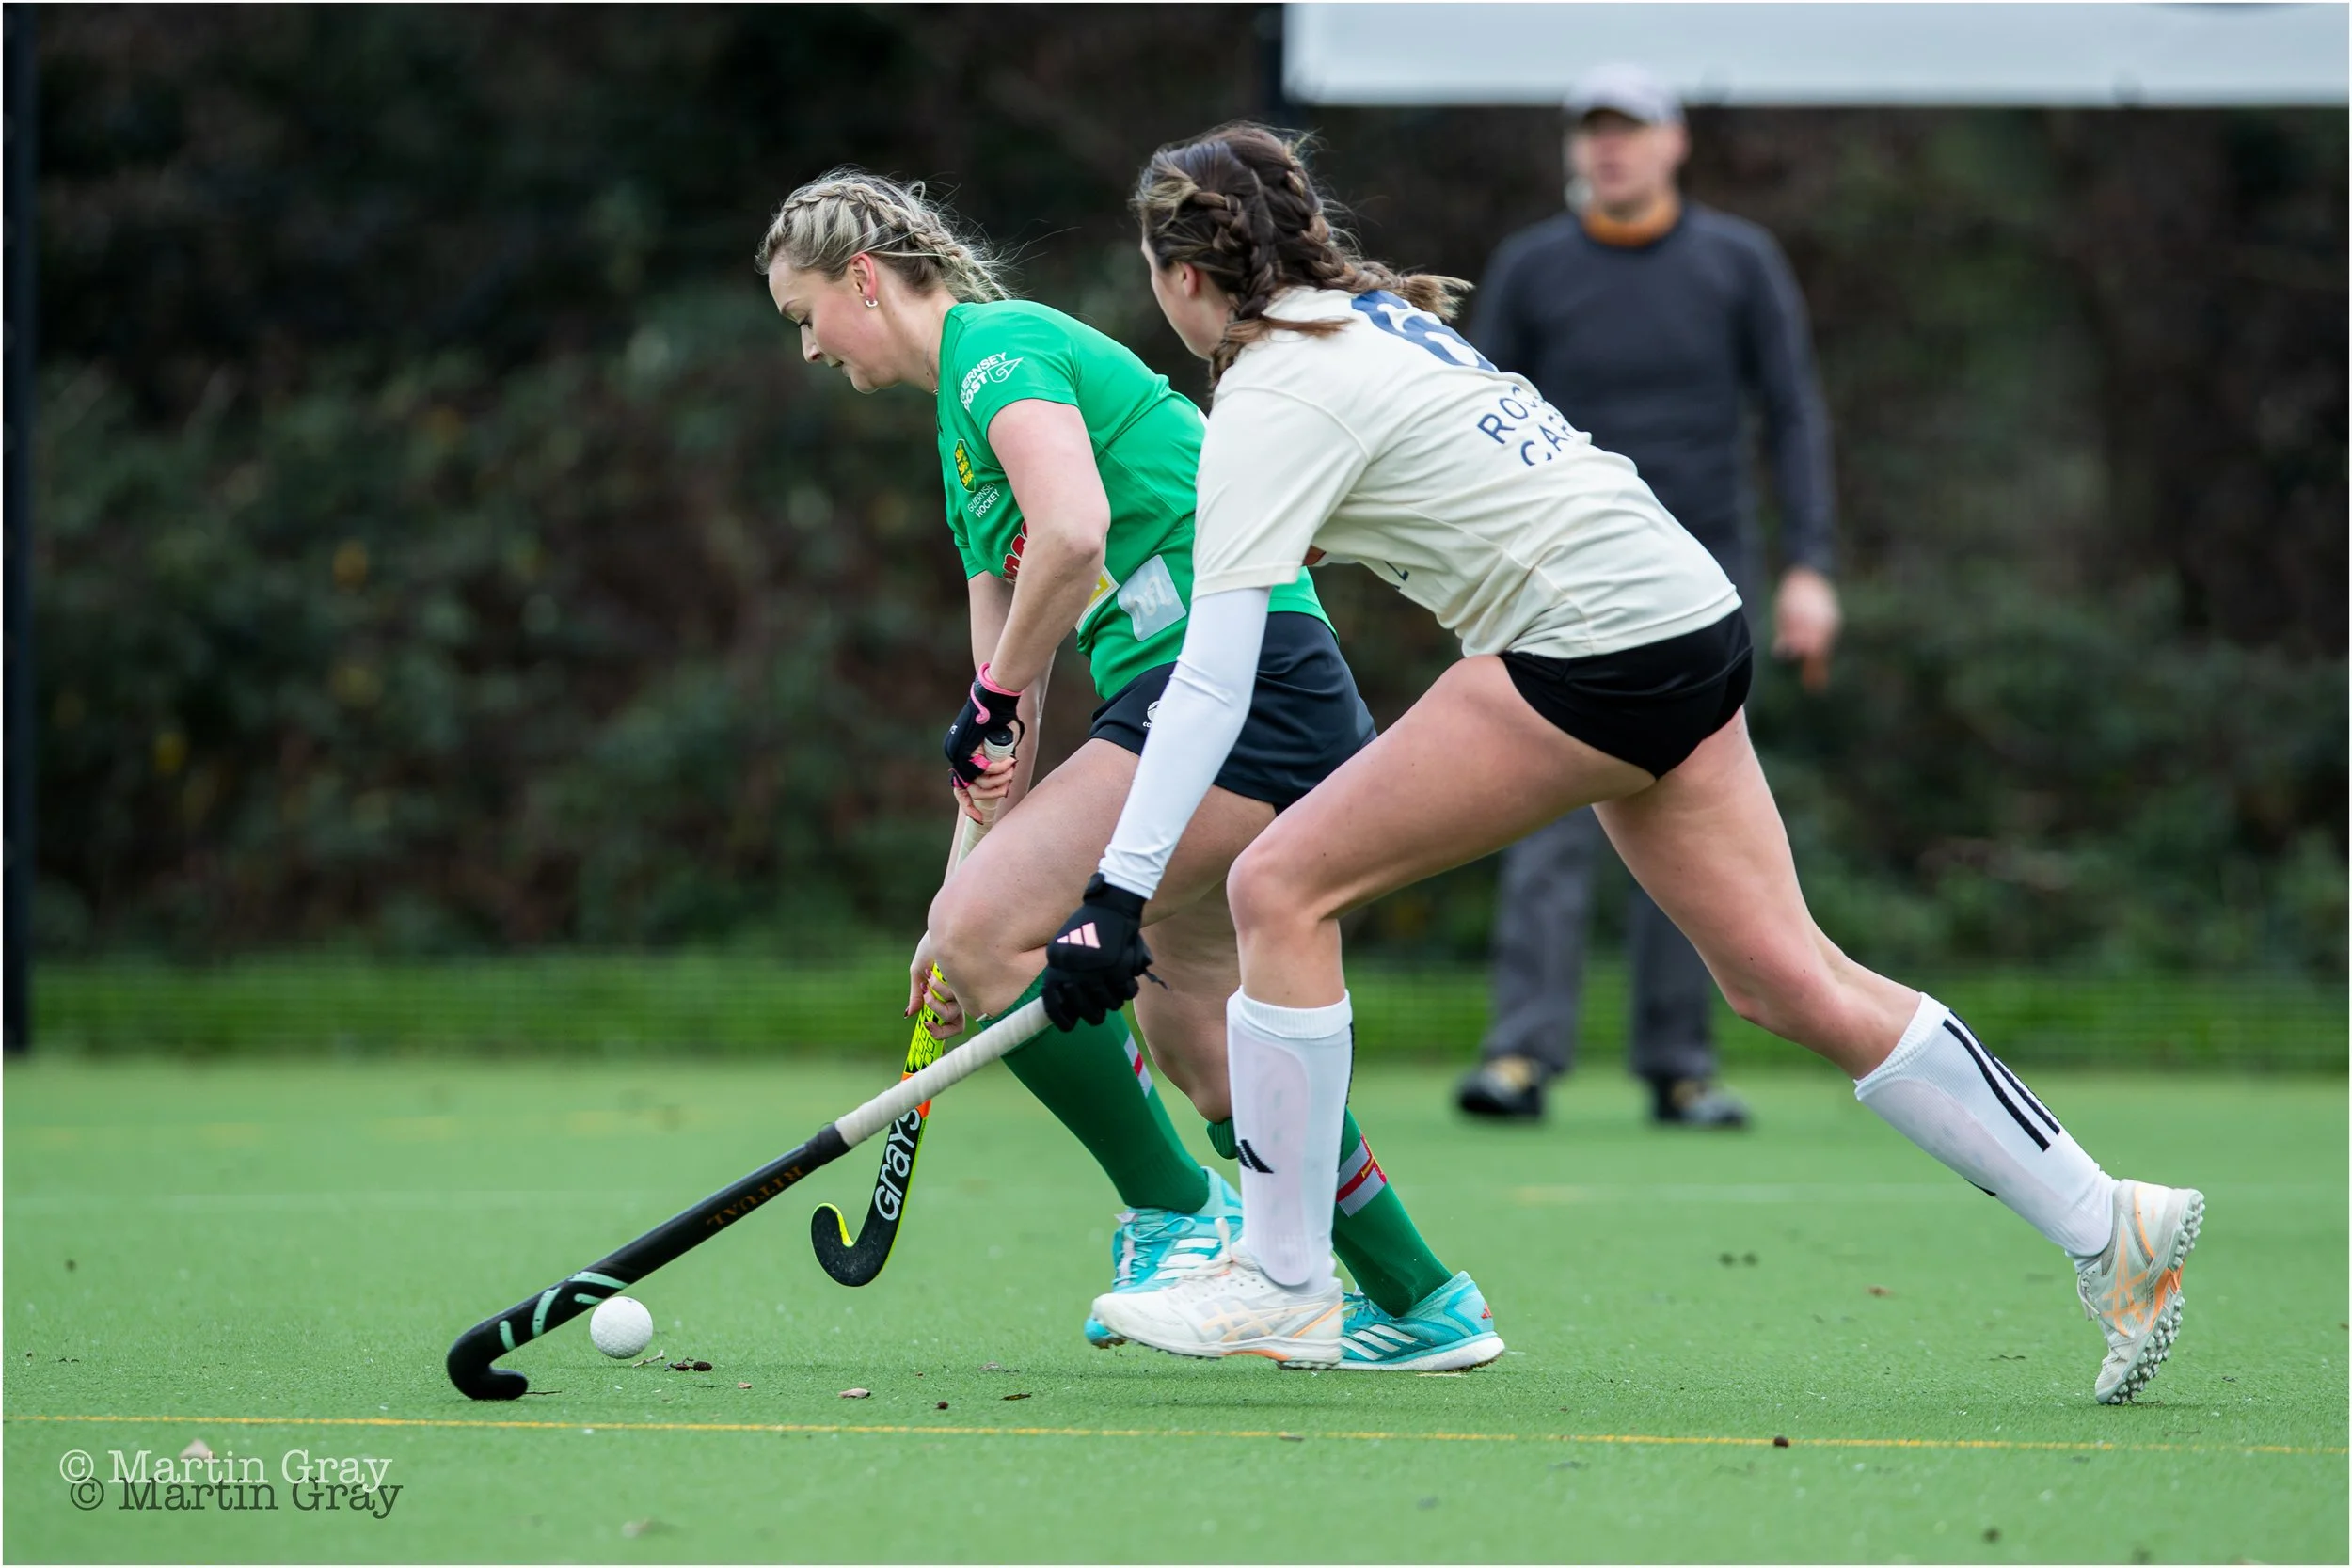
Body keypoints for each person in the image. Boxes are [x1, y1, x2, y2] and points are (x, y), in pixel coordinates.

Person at [1045, 125, 2201, 1404]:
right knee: (1784, 975)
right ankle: (2114, 1221)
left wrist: (1114, 895)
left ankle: (1282, 1273)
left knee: (1277, 888)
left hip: (1589, 647)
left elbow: (1215, 675)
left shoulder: (1272, 386)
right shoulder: (1363, 321)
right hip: (1688, 616)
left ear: (1185, 276)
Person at [756, 170, 1502, 1370]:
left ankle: (1175, 1213)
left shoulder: (996, 352)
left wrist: (975, 920)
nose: (807, 350)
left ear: (861, 282)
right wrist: (975, 848)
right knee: (1205, 1050)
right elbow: (1012, 672)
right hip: (1198, 701)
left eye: (805, 318)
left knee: (989, 936)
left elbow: (1074, 531)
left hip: (1237, 686)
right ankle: (1421, 1298)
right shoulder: (960, 442)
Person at [1454, 63, 1841, 1129]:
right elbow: (1478, 421)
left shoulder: (1739, 262)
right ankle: (1520, 1054)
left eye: (1627, 130)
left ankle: (1681, 1063)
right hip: (1556, 571)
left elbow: (1792, 413)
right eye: (1591, 131)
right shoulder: (1531, 268)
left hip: (1701, 581)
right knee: (1542, 808)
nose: (1606, 148)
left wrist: (1809, 562)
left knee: (1694, 807)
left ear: (1674, 144)